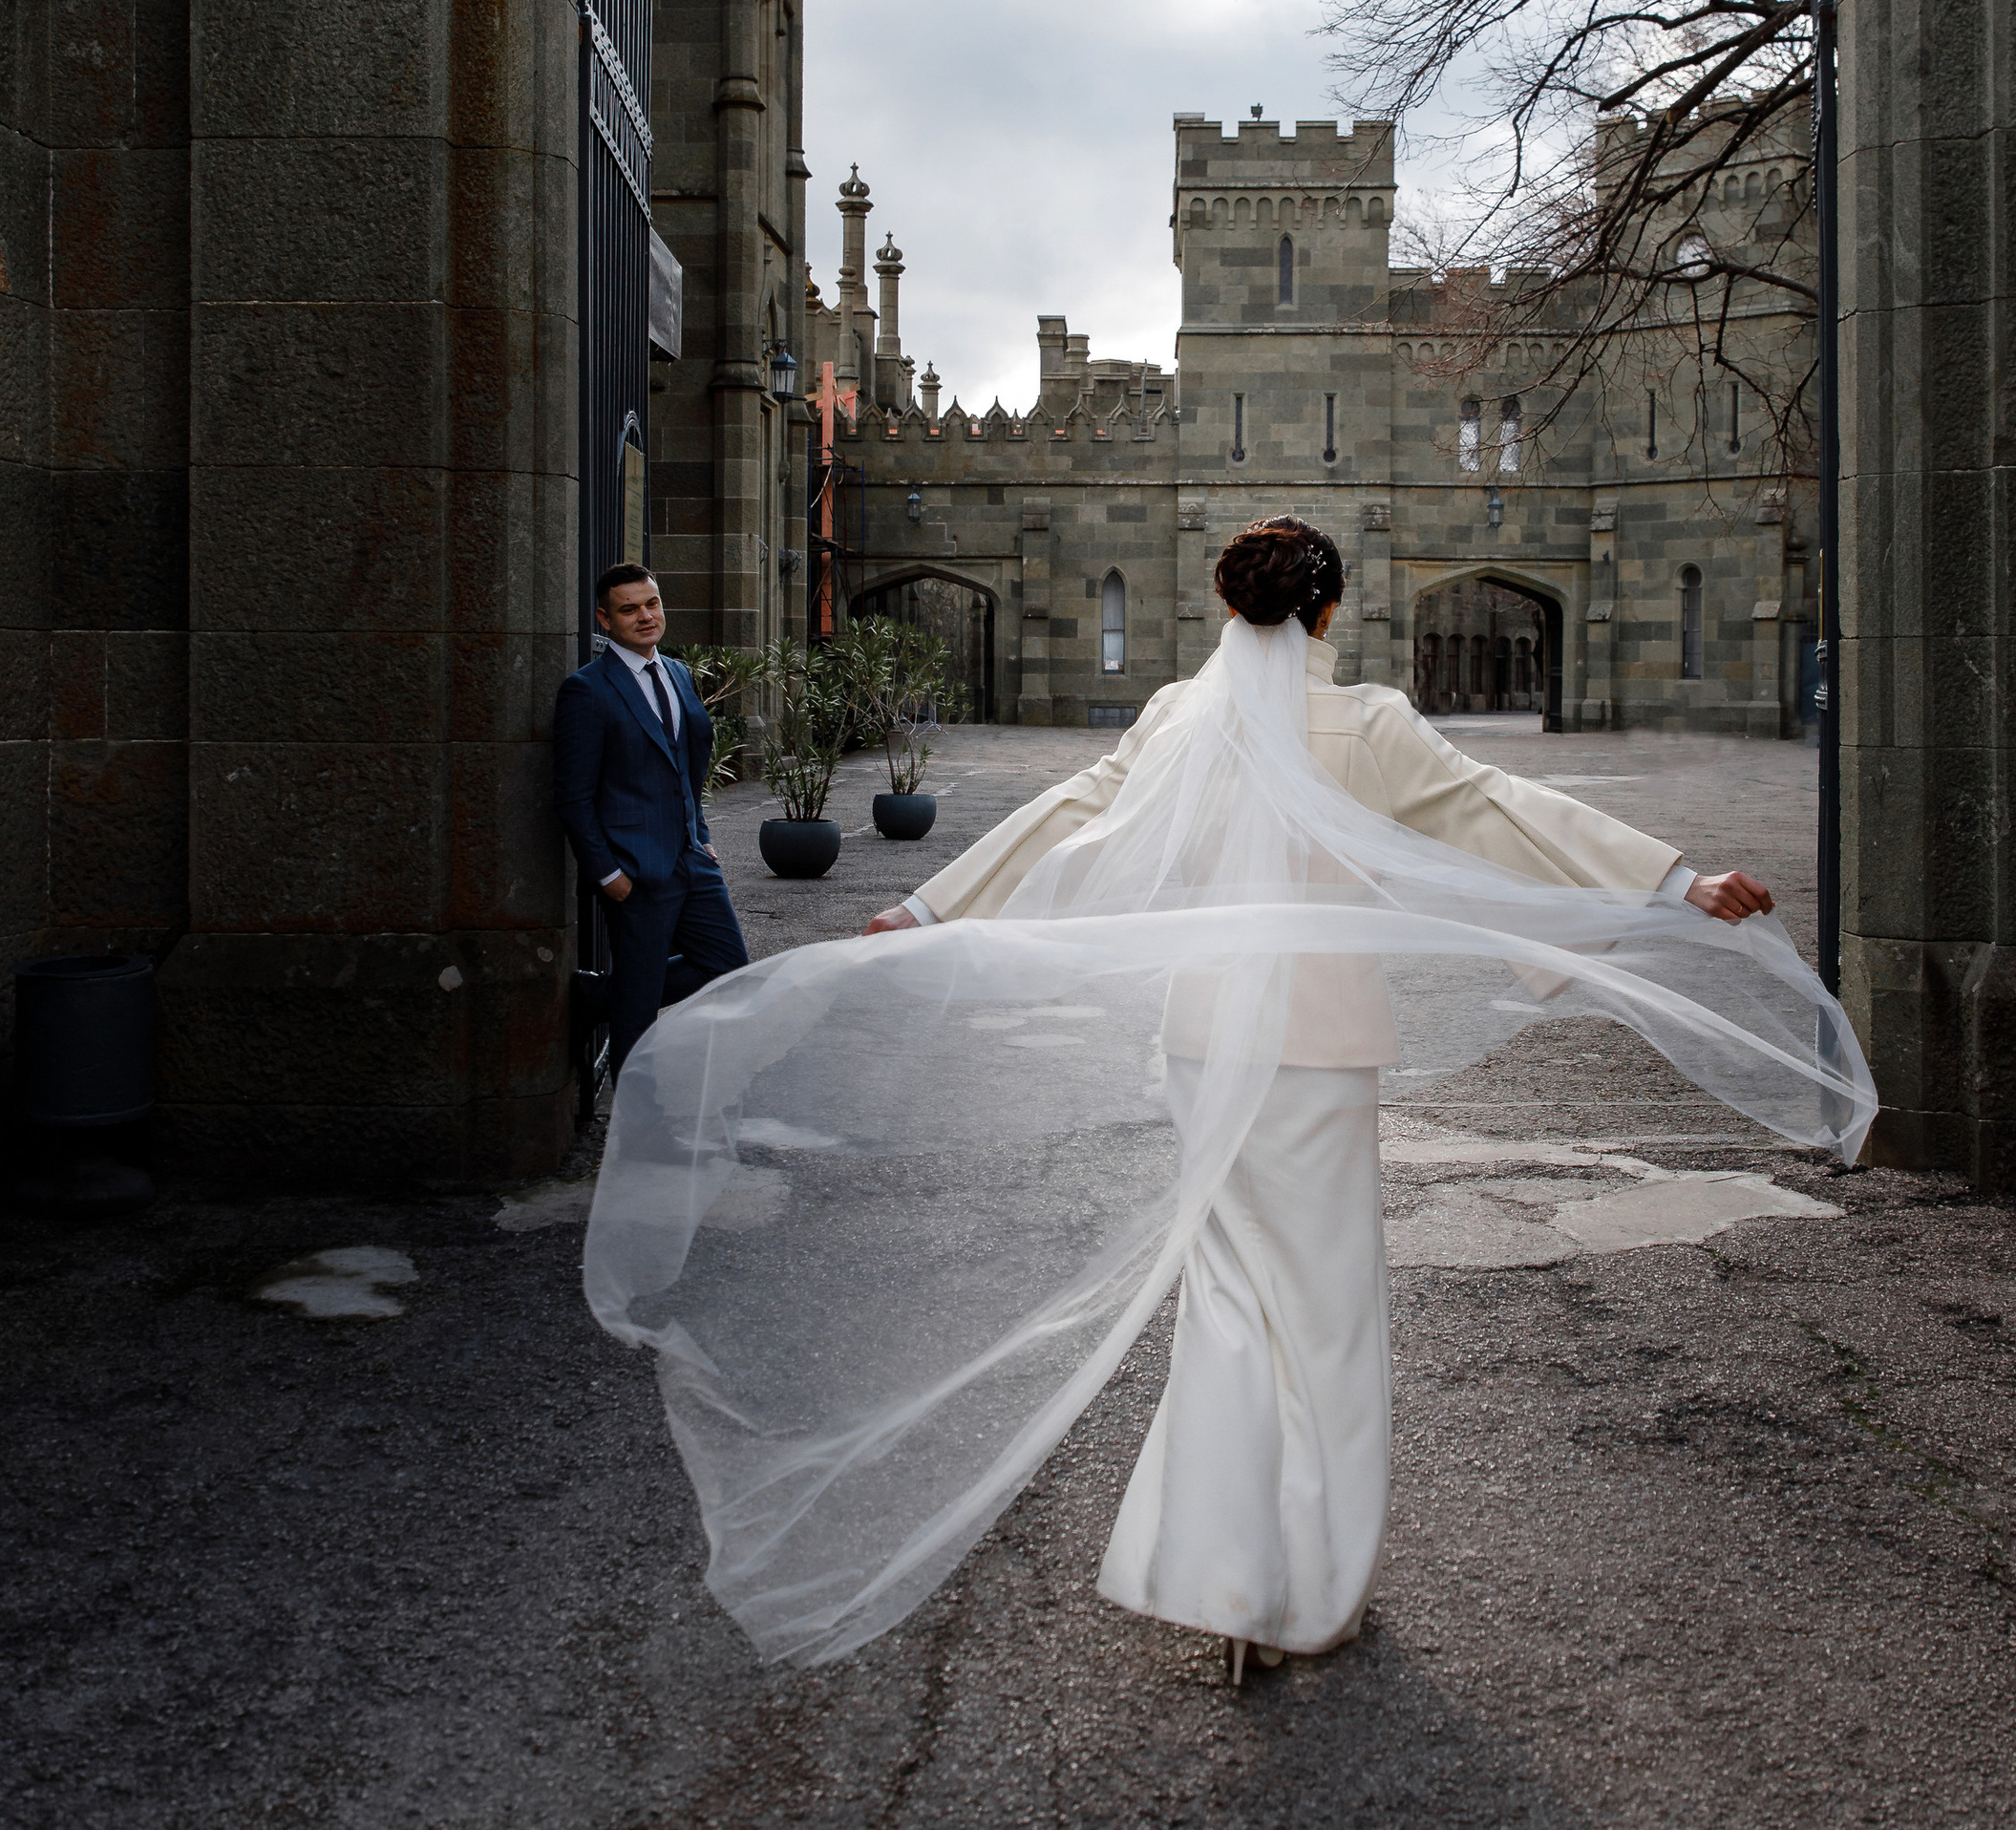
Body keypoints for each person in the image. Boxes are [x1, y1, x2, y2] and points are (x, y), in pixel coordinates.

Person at [584, 518, 1871, 1678]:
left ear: (1223, 608)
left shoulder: (1171, 721)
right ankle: (1307, 1594)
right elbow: (1497, 812)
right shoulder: (1364, 723)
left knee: (1233, 1306)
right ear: (1325, 614)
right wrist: (1673, 881)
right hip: (1315, 1052)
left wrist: (929, 905)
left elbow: (1071, 818)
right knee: (1328, 1319)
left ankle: (1220, 1575)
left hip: (1202, 1042)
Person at [552, 563, 748, 1091]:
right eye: (629, 609)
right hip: (634, 870)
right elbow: (573, 796)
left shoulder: (678, 673)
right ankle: (638, 1129)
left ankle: (597, 996)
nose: (645, 617)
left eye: (652, 604)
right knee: (637, 1014)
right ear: (605, 619)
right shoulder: (587, 691)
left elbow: (687, 763)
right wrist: (607, 873)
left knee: (728, 964)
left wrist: (700, 834)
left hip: (690, 857)